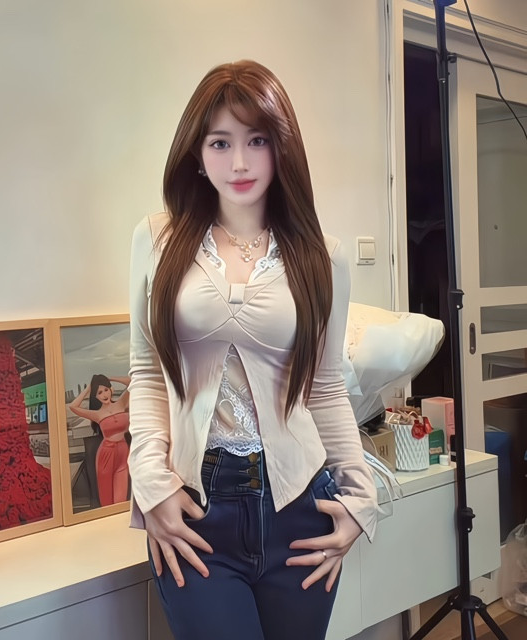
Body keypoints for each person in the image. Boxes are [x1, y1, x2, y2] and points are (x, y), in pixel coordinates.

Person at [128, 60, 378, 640]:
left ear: (282, 147)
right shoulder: (157, 239)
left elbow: (325, 386)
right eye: (220, 142)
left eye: (257, 140)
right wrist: (151, 482)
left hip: (300, 506)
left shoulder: (324, 256)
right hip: (195, 508)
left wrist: (360, 497)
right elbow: (146, 371)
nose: (239, 163)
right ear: (197, 153)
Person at [68, 374, 131, 506]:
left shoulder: (121, 403)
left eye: (106, 390)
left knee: (120, 500)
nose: (104, 395)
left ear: (111, 389)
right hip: (106, 454)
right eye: (99, 393)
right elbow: (73, 407)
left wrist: (110, 378)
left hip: (123, 453)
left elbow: (133, 382)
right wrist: (88, 389)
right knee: (106, 499)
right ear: (96, 396)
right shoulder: (97, 414)